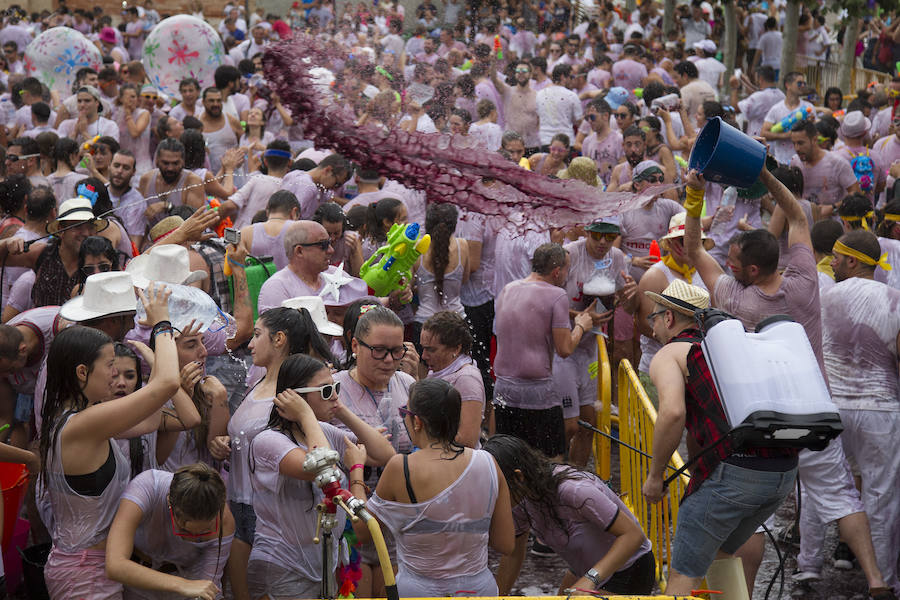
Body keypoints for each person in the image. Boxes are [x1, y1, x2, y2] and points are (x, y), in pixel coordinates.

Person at [683, 167, 892, 595]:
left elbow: (693, 249)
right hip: (815, 415)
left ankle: (743, 589)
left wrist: (694, 196)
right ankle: (875, 579)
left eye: (733, 262)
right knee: (840, 497)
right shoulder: (804, 281)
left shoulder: (735, 297)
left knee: (749, 510)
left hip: (759, 427)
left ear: (751, 269)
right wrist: (764, 173)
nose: (728, 265)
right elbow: (797, 217)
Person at [640, 278, 798, 595]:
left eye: (653, 317)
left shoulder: (671, 353)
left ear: (668, 318)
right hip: (782, 471)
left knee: (682, 576)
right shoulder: (731, 349)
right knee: (721, 553)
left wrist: (655, 477)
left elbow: (672, 413)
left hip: (737, 473)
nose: (652, 327)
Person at [38, 285, 179, 599]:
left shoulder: (79, 416)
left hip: (87, 566)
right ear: (82, 372)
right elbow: (168, 383)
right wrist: (162, 324)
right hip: (84, 574)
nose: (116, 375)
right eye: (110, 365)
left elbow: (157, 415)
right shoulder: (84, 423)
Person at [247, 353, 392, 598]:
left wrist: (340, 410)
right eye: (325, 391)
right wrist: (305, 414)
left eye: (336, 387)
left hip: (323, 562)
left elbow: (384, 453)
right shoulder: (268, 441)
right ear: (296, 398)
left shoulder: (321, 431)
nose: (334, 395)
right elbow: (324, 470)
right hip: (284, 564)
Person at [362, 378, 514, 596]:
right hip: (478, 589)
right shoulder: (488, 463)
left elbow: (362, 532)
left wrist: (356, 470)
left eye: (405, 412)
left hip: (420, 592)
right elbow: (505, 544)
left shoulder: (401, 467)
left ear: (417, 422)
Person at [224, 306, 334, 600]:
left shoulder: (295, 396)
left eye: (257, 334)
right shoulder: (256, 382)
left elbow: (319, 445)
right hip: (238, 505)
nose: (250, 344)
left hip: (271, 515)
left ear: (279, 339)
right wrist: (225, 443)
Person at [822, 230, 900, 597]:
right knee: (881, 497)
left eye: (837, 258)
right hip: (881, 411)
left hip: (833, 408)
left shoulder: (825, 297)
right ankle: (883, 581)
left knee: (833, 490)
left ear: (853, 261)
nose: (832, 263)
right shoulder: (894, 300)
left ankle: (809, 564)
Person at [487, 434, 654, 595]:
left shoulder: (575, 490)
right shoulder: (521, 499)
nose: (492, 497)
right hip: (587, 566)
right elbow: (513, 554)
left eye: (497, 487)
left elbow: (633, 535)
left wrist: (590, 578)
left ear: (518, 477)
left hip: (629, 568)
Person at [493, 243, 594, 458]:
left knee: (509, 459)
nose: (567, 275)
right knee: (548, 461)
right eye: (566, 269)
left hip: (503, 388)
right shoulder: (557, 295)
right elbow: (565, 349)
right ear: (556, 271)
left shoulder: (508, 289)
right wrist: (581, 326)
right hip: (537, 392)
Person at [105, 463, 235, 600]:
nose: (192, 538)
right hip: (136, 580)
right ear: (170, 504)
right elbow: (115, 565)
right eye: (184, 530)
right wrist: (183, 585)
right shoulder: (146, 487)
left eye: (203, 532)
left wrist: (192, 588)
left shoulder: (224, 520)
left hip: (184, 585)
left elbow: (208, 587)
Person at [420, 311, 484, 448]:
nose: (424, 356)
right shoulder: (438, 370)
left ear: (456, 348)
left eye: (431, 350)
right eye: (423, 348)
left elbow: (467, 440)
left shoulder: (467, 379)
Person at [412, 204, 469, 342]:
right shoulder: (462, 245)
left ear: (427, 224)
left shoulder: (417, 247)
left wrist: (421, 286)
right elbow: (464, 279)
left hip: (425, 323)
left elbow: (407, 285)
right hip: (456, 322)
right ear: (454, 225)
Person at [761, 71, 813, 165]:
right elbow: (764, 133)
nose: (802, 86)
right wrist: (786, 135)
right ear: (788, 85)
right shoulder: (776, 109)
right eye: (799, 83)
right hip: (781, 162)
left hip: (803, 163)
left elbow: (816, 134)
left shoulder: (808, 108)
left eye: (804, 83)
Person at [535, 64, 582, 151]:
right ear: (563, 77)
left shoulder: (539, 94)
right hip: (566, 142)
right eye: (571, 77)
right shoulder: (572, 95)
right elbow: (579, 121)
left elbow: (537, 118)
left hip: (545, 140)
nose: (572, 80)